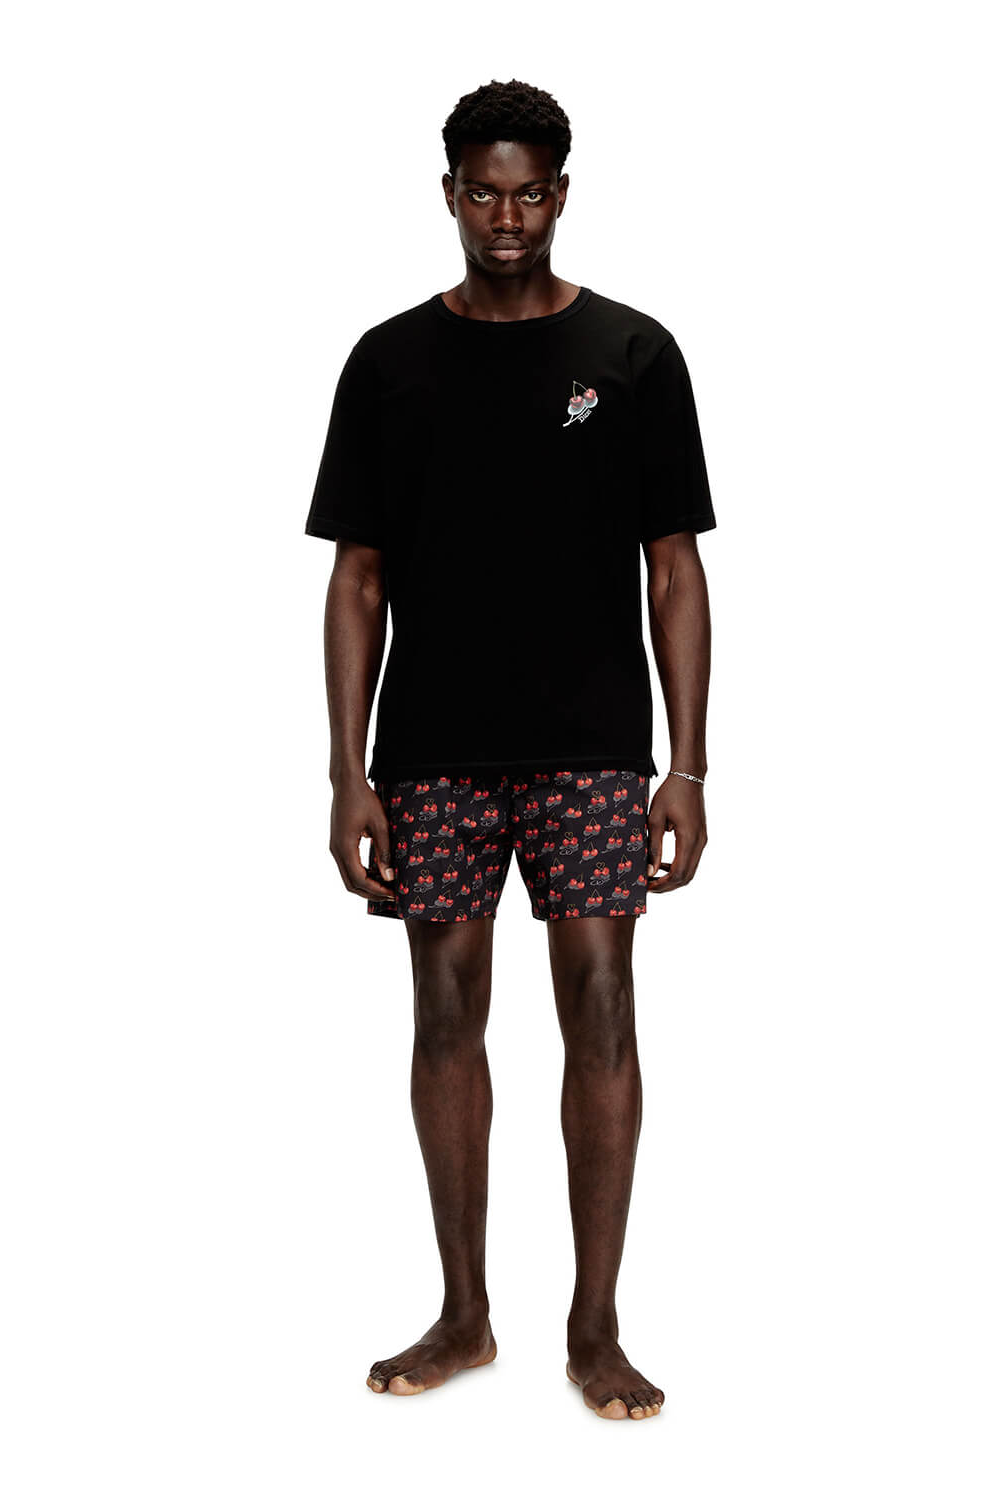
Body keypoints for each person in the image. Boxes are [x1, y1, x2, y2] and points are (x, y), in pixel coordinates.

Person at [304, 78, 715, 1422]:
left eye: (530, 193)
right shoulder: (388, 363)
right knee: (444, 1011)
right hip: (431, 750)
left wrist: (686, 768)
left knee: (602, 1003)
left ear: (562, 194)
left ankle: (595, 1326)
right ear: (448, 194)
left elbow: (674, 570)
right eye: (483, 192)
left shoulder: (634, 353)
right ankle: (465, 1313)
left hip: (593, 749)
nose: (507, 218)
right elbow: (359, 577)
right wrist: (348, 772)